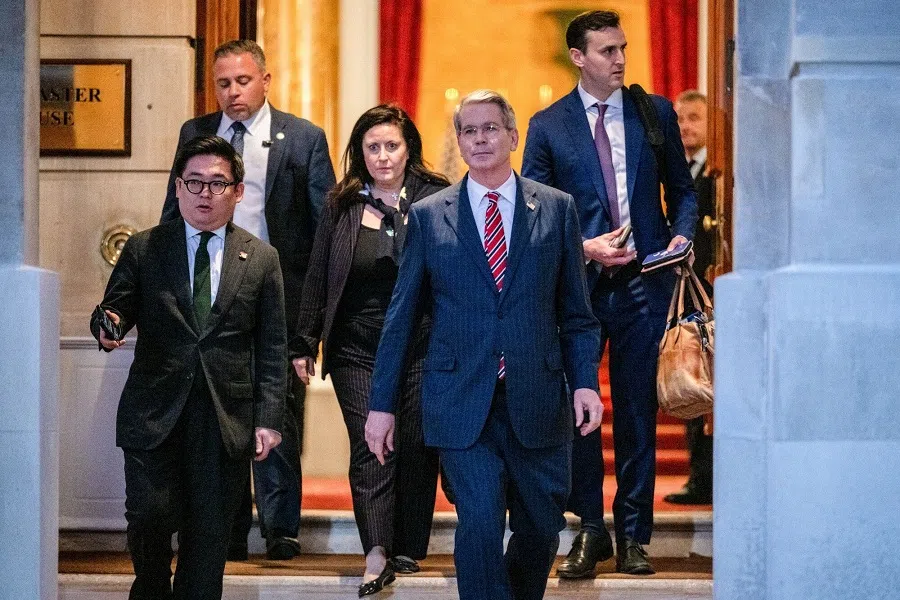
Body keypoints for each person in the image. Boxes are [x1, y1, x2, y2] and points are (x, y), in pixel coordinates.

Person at [365, 90, 603, 600]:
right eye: (469, 131)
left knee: (541, 524)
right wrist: (381, 405)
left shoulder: (556, 210)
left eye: (490, 128)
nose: (480, 139)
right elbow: (401, 318)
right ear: (459, 141)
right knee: (478, 520)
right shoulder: (430, 216)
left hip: (537, 395)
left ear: (513, 137)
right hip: (461, 400)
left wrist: (585, 382)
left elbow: (577, 314)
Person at [522, 10, 698, 576]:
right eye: (606, 51)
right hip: (578, 289)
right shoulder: (548, 125)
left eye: (623, 48)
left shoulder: (655, 112)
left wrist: (681, 236)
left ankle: (634, 535)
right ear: (579, 57)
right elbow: (533, 214)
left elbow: (685, 193)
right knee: (581, 411)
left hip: (647, 282)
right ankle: (589, 531)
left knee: (638, 410)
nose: (620, 59)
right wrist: (585, 246)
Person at [161, 39, 336, 560]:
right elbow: (174, 213)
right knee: (220, 410)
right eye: (223, 83)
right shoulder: (195, 134)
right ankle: (227, 529)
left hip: (274, 290)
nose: (233, 92)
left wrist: (311, 326)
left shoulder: (303, 138)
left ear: (265, 80)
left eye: (242, 81)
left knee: (277, 405)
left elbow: (323, 232)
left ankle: (281, 528)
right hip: (207, 293)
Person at [91, 135, 287, 599]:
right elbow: (115, 310)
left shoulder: (261, 258)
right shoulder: (144, 249)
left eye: (217, 183)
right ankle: (152, 588)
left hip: (223, 419)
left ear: (238, 191)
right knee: (148, 516)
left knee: (208, 537)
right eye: (194, 182)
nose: (204, 193)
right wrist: (108, 326)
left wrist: (269, 419)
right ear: (177, 187)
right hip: (154, 414)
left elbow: (273, 347)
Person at [290, 104, 449, 596]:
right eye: (372, 147)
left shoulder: (437, 196)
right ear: (360, 152)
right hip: (356, 347)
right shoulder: (342, 204)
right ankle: (376, 549)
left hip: (423, 344)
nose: (382, 156)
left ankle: (407, 545)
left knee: (418, 442)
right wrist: (304, 341)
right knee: (371, 441)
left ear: (409, 149)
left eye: (392, 146)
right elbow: (319, 273)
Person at [664, 89, 714, 505]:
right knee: (692, 386)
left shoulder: (717, 174)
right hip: (687, 297)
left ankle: (708, 479)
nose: (685, 127)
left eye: (694, 118)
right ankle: (700, 477)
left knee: (708, 389)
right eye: (679, 119)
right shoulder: (676, 172)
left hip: (711, 294)